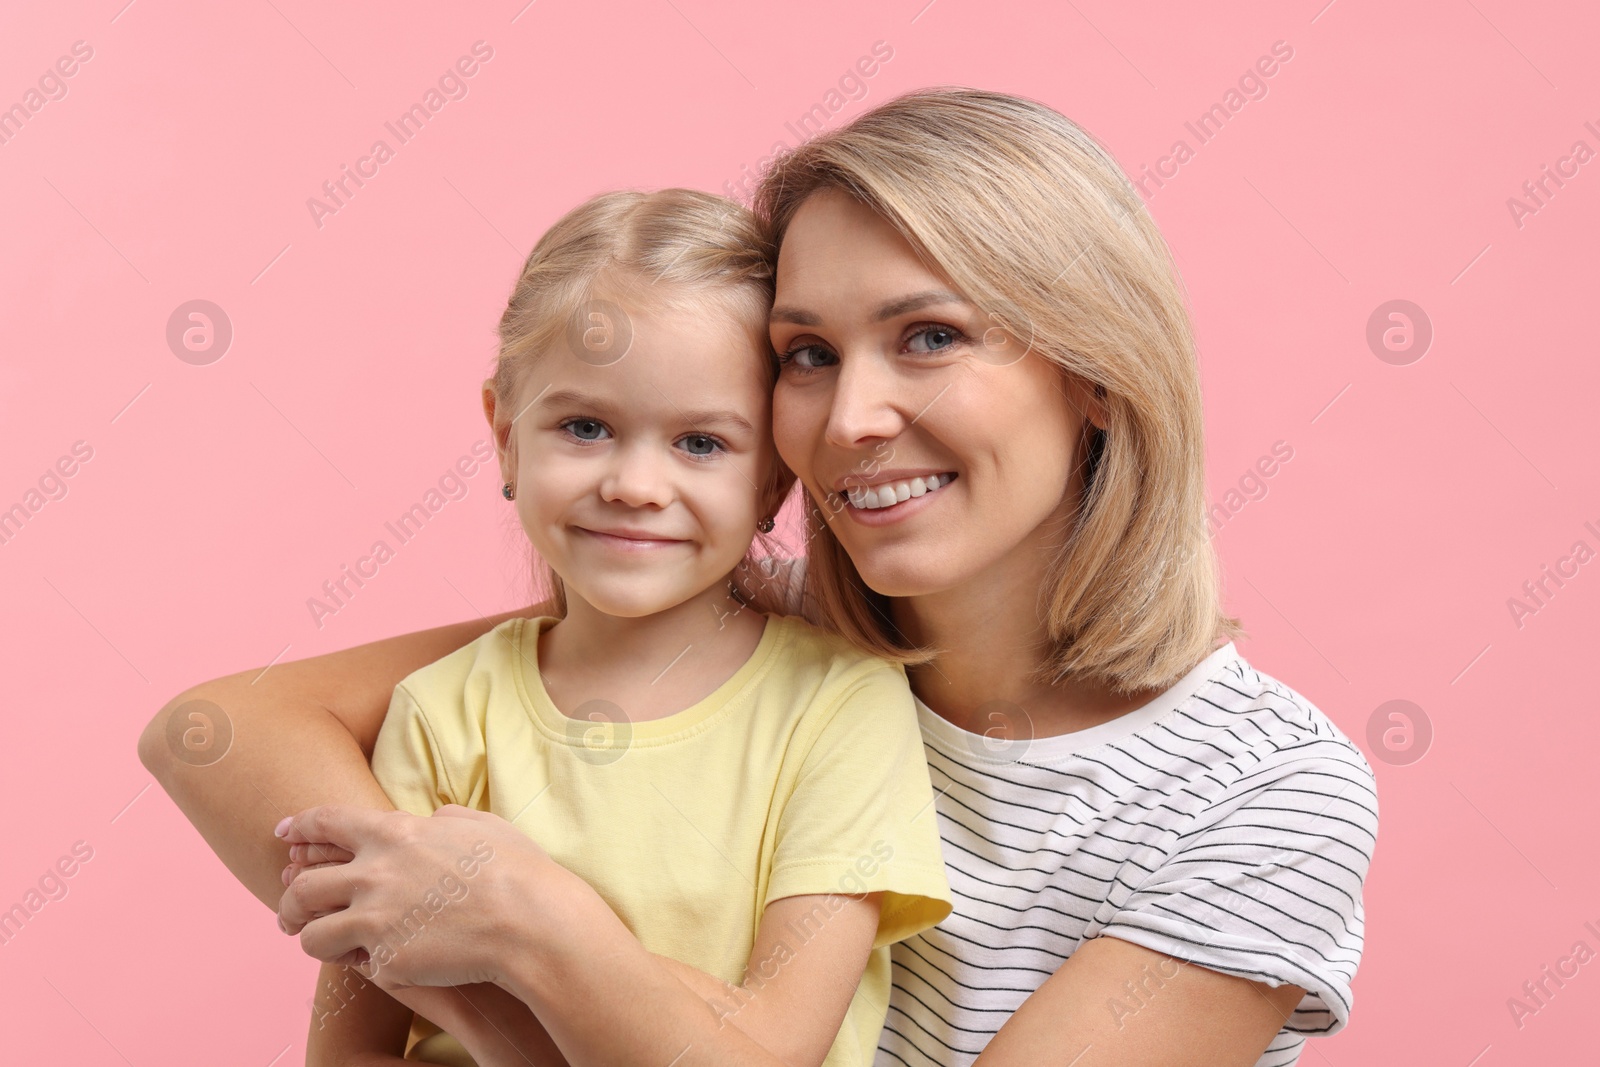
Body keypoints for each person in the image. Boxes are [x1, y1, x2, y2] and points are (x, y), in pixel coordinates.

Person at [143, 87, 1378, 1067]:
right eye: (805, 352)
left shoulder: (1263, 796)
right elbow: (218, 733)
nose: (851, 417)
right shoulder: (723, 636)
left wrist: (531, 926)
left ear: (1096, 372)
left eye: (929, 336)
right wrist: (483, 954)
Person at [294, 186, 953, 1066]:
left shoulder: (840, 705)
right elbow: (351, 1046)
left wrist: (537, 929)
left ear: (772, 483)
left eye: (702, 443)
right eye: (586, 426)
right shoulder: (442, 715)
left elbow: (778, 1050)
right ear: (504, 436)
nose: (636, 484)